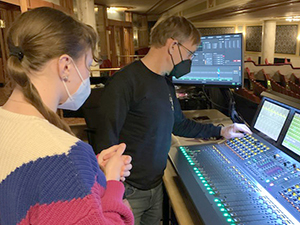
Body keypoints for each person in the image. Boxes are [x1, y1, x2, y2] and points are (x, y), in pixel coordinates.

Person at [89, 16, 252, 225]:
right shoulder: (125, 82)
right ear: (173, 45)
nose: (190, 60)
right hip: (129, 191)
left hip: (155, 185)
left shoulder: (165, 81)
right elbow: (106, 143)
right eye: (190, 53)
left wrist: (221, 131)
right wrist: (116, 195)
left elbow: (179, 124)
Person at [0, 7, 134, 225]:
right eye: (88, 65)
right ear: (65, 66)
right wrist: (112, 184)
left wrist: (91, 171)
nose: (88, 75)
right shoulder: (63, 156)